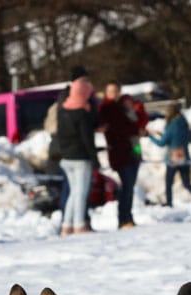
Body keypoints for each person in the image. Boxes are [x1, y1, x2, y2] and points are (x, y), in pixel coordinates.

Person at [54, 73, 98, 235]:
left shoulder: (62, 109)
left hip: (66, 158)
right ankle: (79, 224)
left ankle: (67, 224)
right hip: (80, 158)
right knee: (80, 192)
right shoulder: (82, 112)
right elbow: (87, 139)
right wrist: (95, 158)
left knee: (73, 192)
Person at [98, 81, 144, 228]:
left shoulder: (124, 106)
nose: (113, 94)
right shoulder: (107, 108)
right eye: (110, 91)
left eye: (116, 91)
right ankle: (124, 218)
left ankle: (127, 216)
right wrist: (134, 129)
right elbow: (121, 129)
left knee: (130, 185)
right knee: (127, 185)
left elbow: (138, 122)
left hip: (133, 149)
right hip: (120, 153)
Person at [149, 102, 191, 207]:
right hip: (184, 156)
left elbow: (161, 143)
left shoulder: (171, 126)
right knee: (187, 183)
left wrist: (151, 136)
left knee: (168, 183)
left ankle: (169, 203)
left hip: (173, 158)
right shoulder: (184, 123)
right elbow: (185, 138)